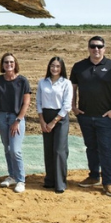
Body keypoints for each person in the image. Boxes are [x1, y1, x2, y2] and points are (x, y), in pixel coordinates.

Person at [72, 35, 111, 197]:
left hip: (106, 117)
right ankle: (94, 176)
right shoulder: (79, 67)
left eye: (99, 46)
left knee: (105, 148)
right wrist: (74, 106)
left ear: (104, 48)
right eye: (93, 46)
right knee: (91, 147)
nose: (96, 49)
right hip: (85, 116)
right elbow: (72, 88)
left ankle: (108, 182)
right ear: (88, 48)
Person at [0, 53, 32, 194]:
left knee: (16, 150)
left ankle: (21, 179)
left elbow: (26, 103)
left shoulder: (22, 81)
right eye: (6, 62)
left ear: (15, 63)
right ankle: (12, 176)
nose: (9, 64)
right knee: (7, 148)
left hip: (16, 118)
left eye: (11, 62)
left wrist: (18, 120)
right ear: (2, 64)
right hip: (1, 117)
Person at [36, 56, 75, 193]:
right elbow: (39, 102)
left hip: (60, 118)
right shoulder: (42, 82)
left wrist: (54, 121)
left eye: (58, 66)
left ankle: (60, 183)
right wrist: (42, 120)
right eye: (52, 66)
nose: (55, 68)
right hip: (45, 117)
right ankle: (50, 180)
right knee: (48, 149)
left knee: (59, 150)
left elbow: (67, 105)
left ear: (62, 68)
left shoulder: (66, 83)